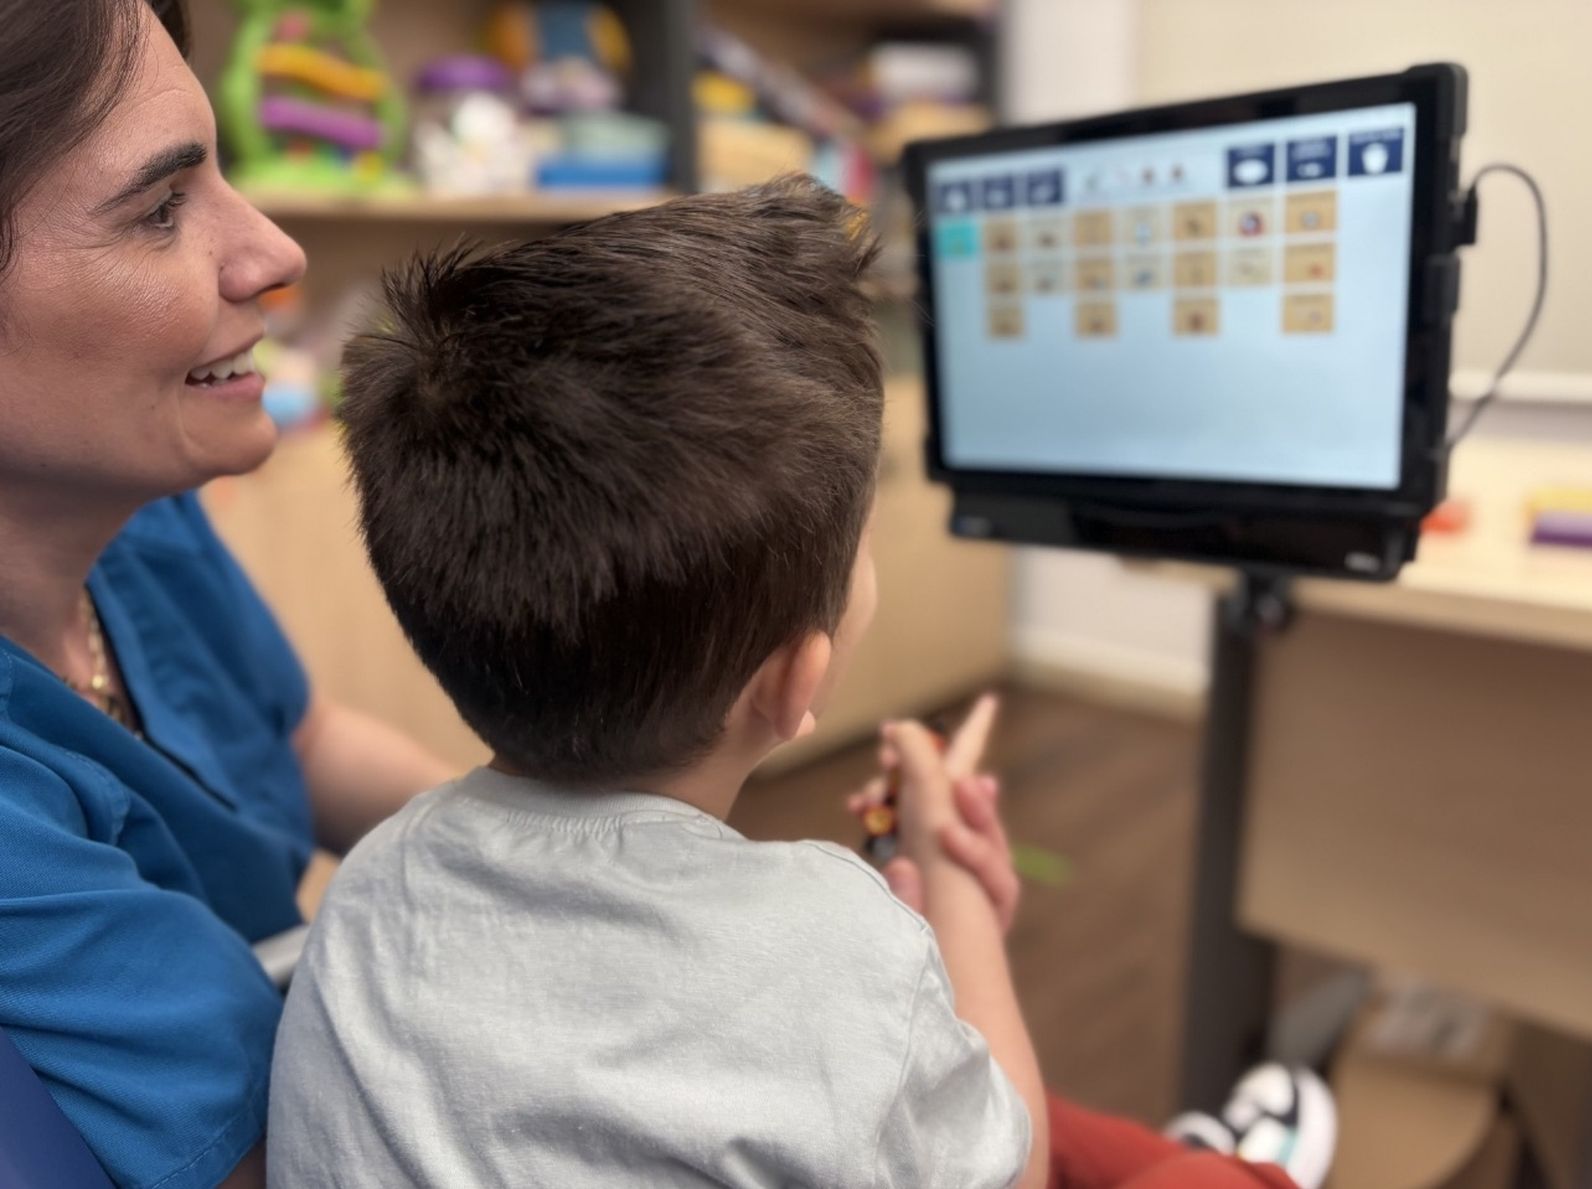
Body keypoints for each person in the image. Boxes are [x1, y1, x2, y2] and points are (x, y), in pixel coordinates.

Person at [267, 180, 1331, 1189]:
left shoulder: (368, 883)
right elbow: (1018, 1167)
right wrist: (952, 893)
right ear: (794, 679)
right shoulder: (840, 941)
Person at [0, 2, 455, 1185]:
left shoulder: (137, 509)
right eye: (161, 208)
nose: (274, 253)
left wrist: (602, 847)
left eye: (225, 178)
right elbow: (294, 1161)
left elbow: (299, 738)